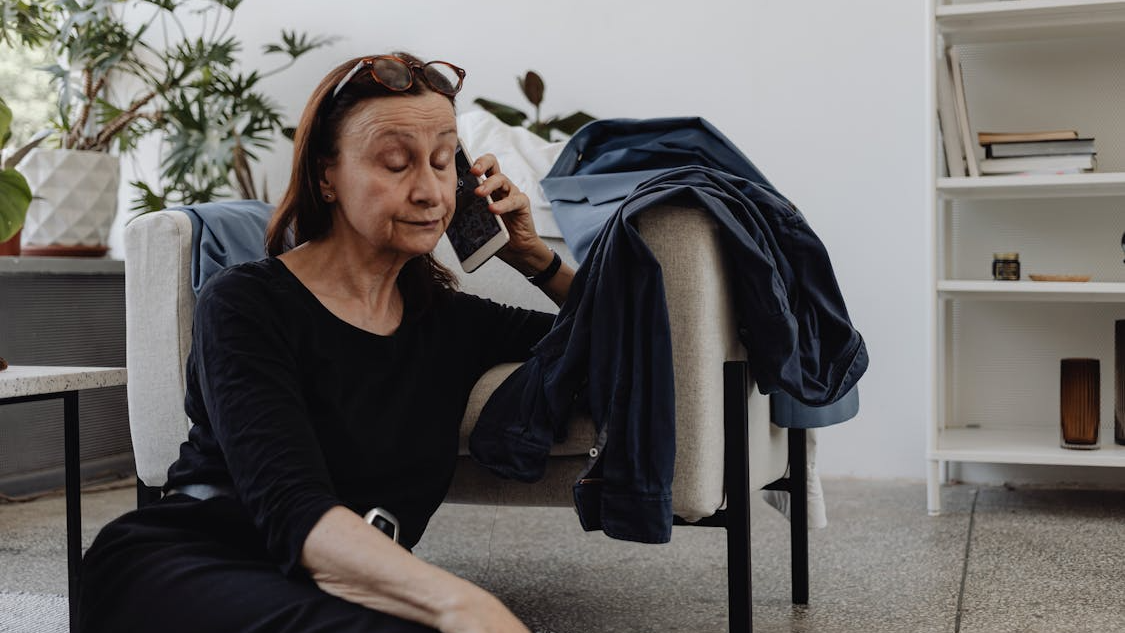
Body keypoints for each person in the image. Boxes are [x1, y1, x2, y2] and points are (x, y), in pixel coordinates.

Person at [78, 52, 575, 633]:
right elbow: (292, 505)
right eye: (396, 163)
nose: (429, 191)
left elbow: (618, 339)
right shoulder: (243, 302)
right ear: (325, 177)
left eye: (443, 162)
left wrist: (536, 258)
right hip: (194, 562)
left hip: (344, 580)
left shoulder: (451, 321)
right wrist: (466, 604)